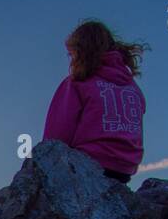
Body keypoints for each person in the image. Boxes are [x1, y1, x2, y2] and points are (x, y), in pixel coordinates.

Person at [43, 20, 148, 184]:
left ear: (81, 51)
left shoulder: (78, 83)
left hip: (88, 164)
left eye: (72, 54)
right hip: (124, 169)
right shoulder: (133, 88)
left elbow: (57, 134)